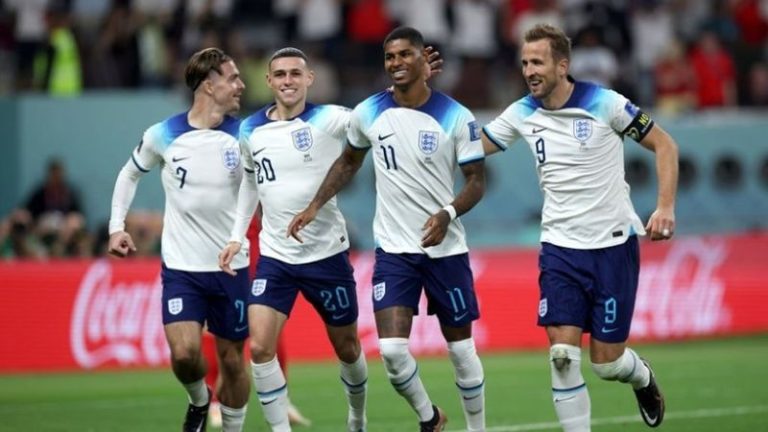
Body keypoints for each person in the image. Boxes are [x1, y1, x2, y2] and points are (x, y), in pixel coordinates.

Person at [287, 27, 487, 432]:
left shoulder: (456, 116)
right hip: (395, 252)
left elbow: (476, 181)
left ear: (423, 58)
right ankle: (429, 417)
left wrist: (447, 213)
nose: (396, 62)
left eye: (405, 54)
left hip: (446, 251)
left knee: (461, 350)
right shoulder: (369, 112)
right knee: (393, 352)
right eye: (390, 56)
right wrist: (314, 205)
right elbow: (348, 161)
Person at [481, 24, 678, 430]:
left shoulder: (606, 103)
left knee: (607, 364)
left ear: (562, 65)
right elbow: (469, 147)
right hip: (560, 248)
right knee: (562, 356)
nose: (529, 71)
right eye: (524, 63)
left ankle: (641, 376)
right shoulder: (521, 112)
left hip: (612, 246)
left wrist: (665, 207)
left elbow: (665, 144)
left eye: (538, 62)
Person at [218, 47, 369, 432]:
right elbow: (249, 182)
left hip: (327, 255)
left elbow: (374, 117)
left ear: (309, 79)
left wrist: (408, 86)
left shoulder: (331, 118)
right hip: (276, 257)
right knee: (259, 347)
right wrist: (237, 237)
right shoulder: (250, 129)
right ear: (268, 81)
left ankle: (357, 417)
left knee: (348, 348)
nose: (288, 80)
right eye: (281, 74)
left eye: (295, 74)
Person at [107, 47, 250, 432]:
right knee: (185, 354)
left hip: (232, 268)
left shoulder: (246, 134)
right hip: (182, 268)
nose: (241, 85)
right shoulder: (163, 134)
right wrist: (117, 226)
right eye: (232, 78)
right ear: (209, 85)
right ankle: (200, 400)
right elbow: (129, 173)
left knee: (232, 361)